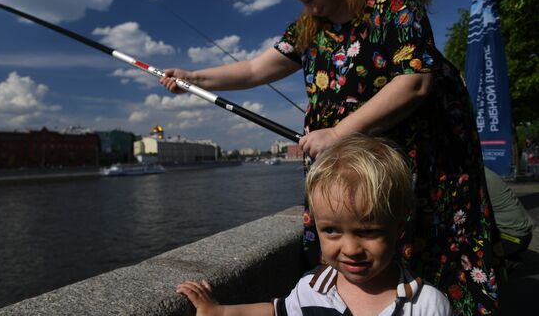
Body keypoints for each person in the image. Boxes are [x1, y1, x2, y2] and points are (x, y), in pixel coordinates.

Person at [161, 0, 502, 314]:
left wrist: (338, 133)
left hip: (417, 168)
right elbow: (252, 70)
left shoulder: (392, 7)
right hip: (349, 168)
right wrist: (193, 78)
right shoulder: (308, 29)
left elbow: (415, 81)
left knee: (428, 257)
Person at [176, 134, 453, 316]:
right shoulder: (311, 288)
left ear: (399, 228)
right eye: (331, 230)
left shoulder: (427, 305)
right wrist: (219, 312)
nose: (351, 248)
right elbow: (276, 312)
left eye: (368, 231)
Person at [485, 166, 534, 263]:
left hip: (513, 238)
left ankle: (501, 262)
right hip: (521, 235)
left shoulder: (473, 177)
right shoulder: (483, 171)